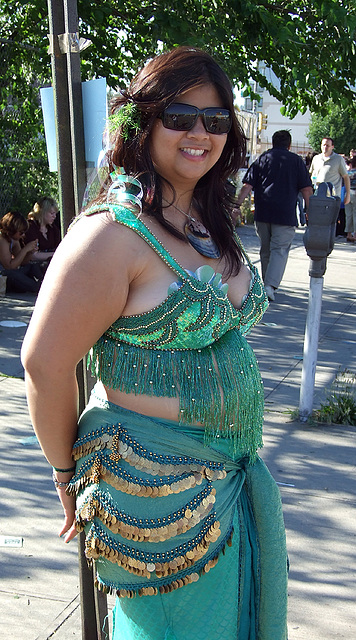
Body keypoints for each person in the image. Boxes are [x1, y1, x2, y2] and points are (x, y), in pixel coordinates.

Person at [21, 47, 288, 640]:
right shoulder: (111, 235)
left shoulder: (208, 221)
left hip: (233, 483)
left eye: (216, 121)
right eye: (180, 116)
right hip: (157, 504)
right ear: (144, 122)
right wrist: (66, 474)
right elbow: (43, 362)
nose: (200, 133)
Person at [236, 130, 313, 301]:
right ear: (289, 144)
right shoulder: (296, 161)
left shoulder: (263, 158)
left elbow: (247, 185)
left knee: (266, 249)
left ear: (273, 142)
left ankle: (266, 285)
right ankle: (269, 286)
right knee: (280, 249)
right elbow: (306, 189)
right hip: (285, 214)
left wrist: (237, 205)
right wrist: (311, 212)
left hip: (263, 212)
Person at [309, 137, 350, 236]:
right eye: (323, 145)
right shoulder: (316, 158)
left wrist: (347, 194)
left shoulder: (338, 159)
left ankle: (329, 238)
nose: (325, 147)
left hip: (332, 196)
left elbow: (345, 177)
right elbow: (311, 175)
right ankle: (317, 237)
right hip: (318, 194)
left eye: (327, 145)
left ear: (332, 147)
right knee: (317, 219)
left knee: (330, 220)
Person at [0, 211, 43, 293]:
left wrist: (30, 252)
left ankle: (43, 281)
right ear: (12, 230)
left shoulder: (14, 240)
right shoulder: (2, 240)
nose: (23, 236)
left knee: (32, 266)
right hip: (4, 276)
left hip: (12, 272)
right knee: (13, 275)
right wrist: (26, 249)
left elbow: (21, 262)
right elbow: (9, 267)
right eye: (21, 233)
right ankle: (37, 287)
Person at [25, 196, 61, 266]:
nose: (54, 216)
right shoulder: (30, 227)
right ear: (42, 212)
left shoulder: (53, 228)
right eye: (51, 213)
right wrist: (56, 254)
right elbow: (33, 255)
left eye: (55, 213)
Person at [345, 156, 356, 242]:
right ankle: (355, 234)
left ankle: (348, 233)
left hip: (348, 194)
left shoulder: (348, 173)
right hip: (355, 194)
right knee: (355, 214)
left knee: (348, 215)